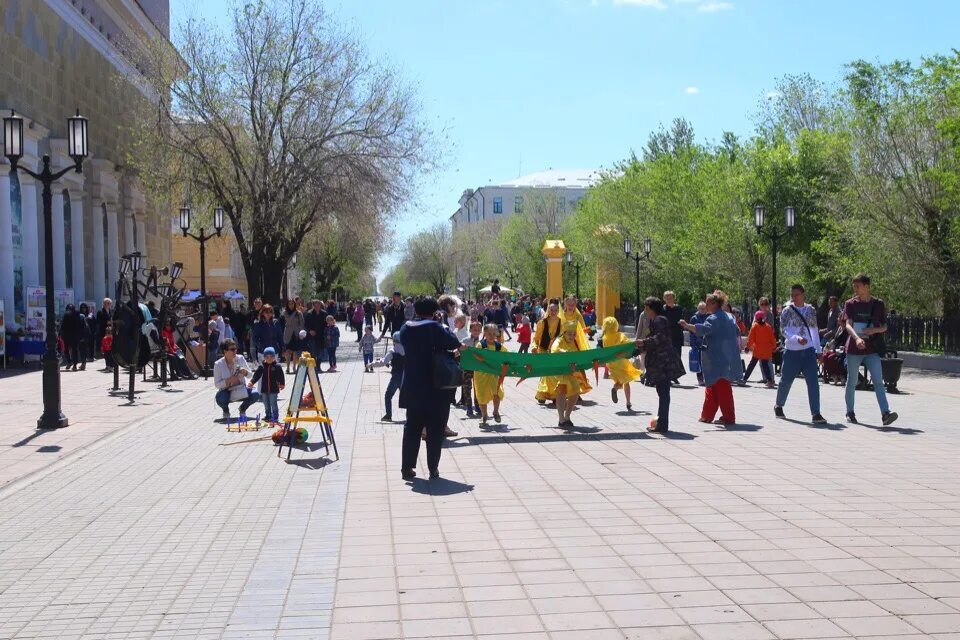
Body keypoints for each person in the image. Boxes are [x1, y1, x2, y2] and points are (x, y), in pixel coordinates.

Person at [399, 297, 463, 481]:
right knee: (435, 430)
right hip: (436, 387)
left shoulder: (406, 328)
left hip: (413, 386)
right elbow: (453, 343)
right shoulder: (435, 328)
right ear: (435, 311)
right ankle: (433, 468)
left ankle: (407, 468)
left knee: (412, 428)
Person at [843, 273, 898, 425]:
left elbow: (885, 326)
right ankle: (850, 412)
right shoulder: (850, 304)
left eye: (857, 286)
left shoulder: (878, 304)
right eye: (854, 286)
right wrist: (857, 338)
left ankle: (885, 413)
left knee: (878, 381)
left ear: (866, 287)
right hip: (854, 347)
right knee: (852, 381)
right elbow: (848, 324)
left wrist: (874, 331)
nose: (855, 288)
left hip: (872, 348)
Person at [680, 293, 742, 426]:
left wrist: (686, 325)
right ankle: (707, 415)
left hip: (716, 357)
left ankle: (729, 417)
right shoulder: (730, 317)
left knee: (720, 388)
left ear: (714, 304)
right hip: (727, 356)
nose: (706, 305)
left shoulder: (713, 318)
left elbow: (702, 330)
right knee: (714, 386)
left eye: (708, 303)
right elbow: (737, 331)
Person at [774, 284, 827, 423]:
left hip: (808, 351)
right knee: (786, 380)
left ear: (803, 294)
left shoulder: (810, 310)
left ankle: (816, 413)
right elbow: (783, 330)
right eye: (792, 295)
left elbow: (814, 330)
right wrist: (796, 338)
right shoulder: (787, 311)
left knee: (813, 382)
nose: (794, 297)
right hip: (792, 351)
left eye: (797, 294)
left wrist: (819, 350)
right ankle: (779, 405)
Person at [635, 297, 685, 432]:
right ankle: (661, 423)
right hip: (661, 362)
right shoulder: (656, 320)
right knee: (662, 392)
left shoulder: (659, 319)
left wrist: (644, 342)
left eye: (646, 308)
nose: (645, 311)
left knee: (663, 392)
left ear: (652, 309)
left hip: (664, 363)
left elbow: (659, 337)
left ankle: (662, 425)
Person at [546, 321, 588, 428]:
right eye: (569, 334)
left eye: (574, 334)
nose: (572, 336)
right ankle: (561, 419)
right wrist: (565, 353)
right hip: (559, 372)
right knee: (562, 391)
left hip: (570, 372)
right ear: (564, 333)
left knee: (575, 391)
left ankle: (567, 416)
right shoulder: (559, 340)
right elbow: (554, 350)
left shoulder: (575, 343)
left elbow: (578, 357)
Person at [213, 338, 260, 421]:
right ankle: (226, 411)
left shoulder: (240, 358)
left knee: (256, 394)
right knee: (220, 397)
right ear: (225, 351)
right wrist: (228, 381)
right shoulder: (218, 364)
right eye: (232, 349)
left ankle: (242, 409)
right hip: (227, 391)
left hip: (241, 388)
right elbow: (217, 384)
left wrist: (245, 372)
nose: (235, 351)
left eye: (236, 349)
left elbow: (250, 375)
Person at [601, 317, 641, 411]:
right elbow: (628, 344)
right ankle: (628, 402)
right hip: (622, 362)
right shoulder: (620, 335)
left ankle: (615, 388)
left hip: (611, 363)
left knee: (619, 381)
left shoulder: (605, 338)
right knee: (626, 382)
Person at [472, 324, 506, 427]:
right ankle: (484, 415)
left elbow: (507, 356)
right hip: (480, 375)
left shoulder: (499, 346)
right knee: (481, 396)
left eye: (493, 334)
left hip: (494, 374)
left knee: (496, 393)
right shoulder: (480, 345)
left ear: (496, 334)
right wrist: (481, 357)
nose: (491, 336)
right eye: (489, 334)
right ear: (485, 334)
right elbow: (474, 354)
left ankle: (495, 412)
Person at [533, 303, 563, 404]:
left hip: (556, 352)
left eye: (555, 310)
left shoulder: (562, 323)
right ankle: (543, 394)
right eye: (551, 310)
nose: (553, 312)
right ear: (548, 311)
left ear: (558, 311)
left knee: (554, 373)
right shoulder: (542, 323)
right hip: (543, 350)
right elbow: (536, 338)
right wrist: (534, 347)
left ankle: (553, 395)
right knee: (546, 372)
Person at [249, 347, 285, 424]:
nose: (269, 359)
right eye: (267, 357)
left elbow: (281, 376)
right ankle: (268, 416)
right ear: (264, 357)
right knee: (266, 403)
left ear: (274, 357)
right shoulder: (262, 366)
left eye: (271, 357)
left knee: (273, 402)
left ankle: (275, 416)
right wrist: (252, 382)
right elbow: (257, 375)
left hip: (274, 389)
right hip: (264, 388)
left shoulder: (277, 366)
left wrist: (282, 384)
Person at [744, 310, 776, 388]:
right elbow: (772, 338)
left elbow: (750, 338)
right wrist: (774, 347)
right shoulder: (768, 327)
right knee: (765, 366)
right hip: (766, 350)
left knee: (751, 365)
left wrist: (747, 347)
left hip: (757, 350)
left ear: (756, 318)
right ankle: (770, 381)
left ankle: (744, 379)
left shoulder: (754, 326)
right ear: (764, 318)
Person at [378, 332, 405, 422]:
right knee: (408, 397)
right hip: (405, 377)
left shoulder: (392, 351)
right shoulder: (408, 350)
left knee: (388, 395)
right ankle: (411, 416)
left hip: (396, 377)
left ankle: (388, 415)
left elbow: (383, 362)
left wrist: (371, 364)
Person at [458, 321, 482, 417]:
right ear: (470, 330)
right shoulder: (465, 341)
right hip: (467, 367)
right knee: (467, 387)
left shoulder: (482, 343)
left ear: (481, 331)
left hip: (478, 369)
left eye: (478, 330)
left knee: (477, 388)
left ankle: (477, 406)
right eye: (474, 330)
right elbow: (459, 350)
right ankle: (468, 407)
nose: (476, 332)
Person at [662, 291, 684, 384]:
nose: (669, 300)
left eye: (671, 298)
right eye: (667, 298)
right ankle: (668, 376)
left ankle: (674, 376)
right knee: (667, 357)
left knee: (677, 357)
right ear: (664, 299)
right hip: (667, 337)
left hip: (677, 336)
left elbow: (682, 319)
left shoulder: (678, 308)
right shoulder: (663, 309)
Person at [687, 302, 709, 386]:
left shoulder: (709, 317)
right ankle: (700, 378)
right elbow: (691, 331)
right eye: (701, 308)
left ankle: (706, 377)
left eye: (704, 308)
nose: (703, 310)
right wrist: (692, 343)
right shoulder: (694, 318)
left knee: (706, 360)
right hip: (697, 342)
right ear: (698, 309)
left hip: (706, 342)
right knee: (698, 360)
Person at [282, 299, 305, 374]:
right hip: (288, 334)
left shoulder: (299, 313)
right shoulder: (285, 312)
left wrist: (301, 333)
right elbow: (288, 321)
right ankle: (288, 367)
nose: (291, 305)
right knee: (288, 351)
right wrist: (294, 312)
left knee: (295, 352)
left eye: (292, 304)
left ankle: (294, 367)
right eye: (289, 304)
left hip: (296, 334)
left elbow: (302, 324)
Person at [60, 304, 85, 371]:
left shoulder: (66, 315)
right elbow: (81, 324)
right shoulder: (78, 315)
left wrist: (60, 334)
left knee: (66, 350)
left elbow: (62, 325)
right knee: (75, 350)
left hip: (66, 335)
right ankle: (75, 365)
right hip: (75, 335)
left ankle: (69, 361)